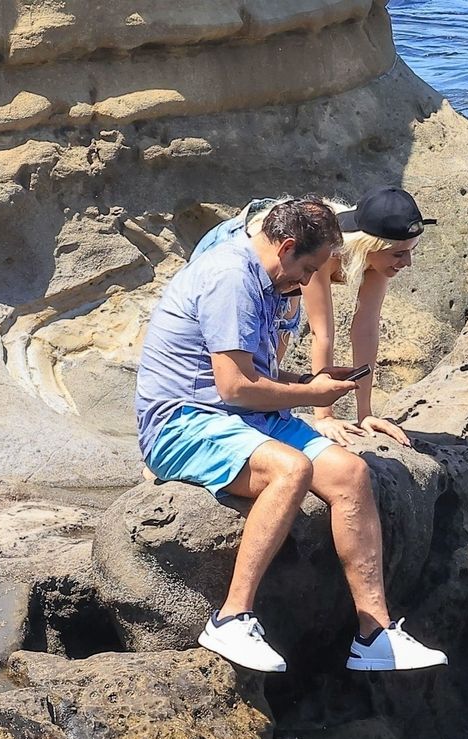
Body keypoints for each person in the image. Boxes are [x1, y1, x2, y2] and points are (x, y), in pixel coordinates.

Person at [136, 196, 448, 674]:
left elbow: (252, 379)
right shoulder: (231, 278)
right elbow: (235, 386)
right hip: (184, 421)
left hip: (240, 417)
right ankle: (230, 618)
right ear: (285, 247)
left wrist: (307, 383)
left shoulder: (268, 279)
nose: (307, 282)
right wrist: (311, 396)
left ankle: (375, 634)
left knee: (349, 472)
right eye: (308, 269)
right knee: (291, 470)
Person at [192, 186, 433, 448]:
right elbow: (322, 332)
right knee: (256, 346)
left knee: (277, 339)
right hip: (246, 249)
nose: (407, 262)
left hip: (286, 272)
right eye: (399, 253)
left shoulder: (378, 261)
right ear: (369, 246)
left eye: (411, 250)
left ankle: (262, 420)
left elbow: (365, 327)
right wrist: (324, 416)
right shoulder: (321, 249)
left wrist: (365, 414)